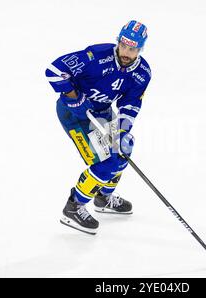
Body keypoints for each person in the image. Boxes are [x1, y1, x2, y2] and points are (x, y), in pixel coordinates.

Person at [45, 20, 151, 235]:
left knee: (124, 149)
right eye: (123, 45)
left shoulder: (142, 73)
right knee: (107, 162)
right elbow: (54, 70)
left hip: (102, 113)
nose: (126, 52)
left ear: (140, 49)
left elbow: (130, 104)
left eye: (132, 48)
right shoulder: (96, 56)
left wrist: (122, 131)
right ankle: (74, 206)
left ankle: (103, 198)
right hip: (74, 115)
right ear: (118, 41)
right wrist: (72, 96)